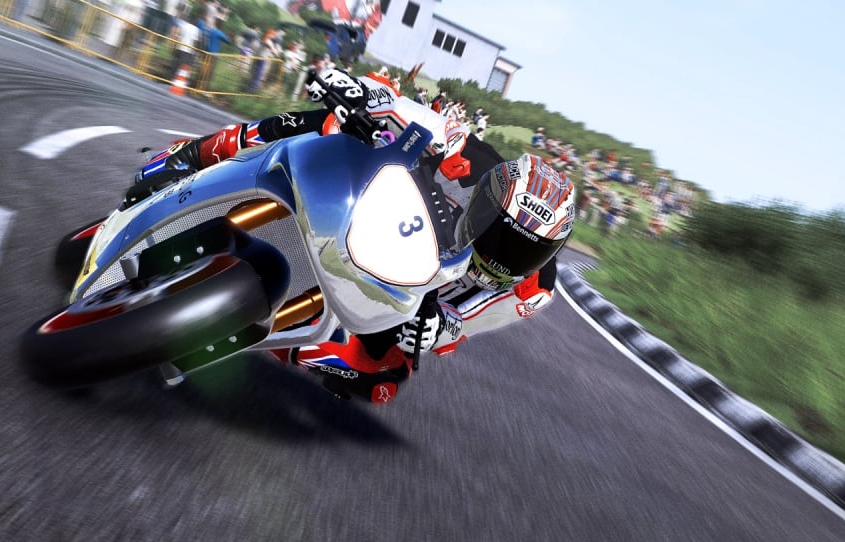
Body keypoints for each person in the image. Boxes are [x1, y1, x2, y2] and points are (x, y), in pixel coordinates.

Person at [133, 68, 575, 403]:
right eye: (501, 234)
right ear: (487, 197)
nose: (502, 255)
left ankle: (235, 341)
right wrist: (361, 92)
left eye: (525, 251)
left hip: (411, 282)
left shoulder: (534, 290)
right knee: (328, 123)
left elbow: (465, 322)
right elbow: (401, 108)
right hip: (380, 199)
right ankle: (196, 155)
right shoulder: (471, 156)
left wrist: (438, 327)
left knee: (381, 379)